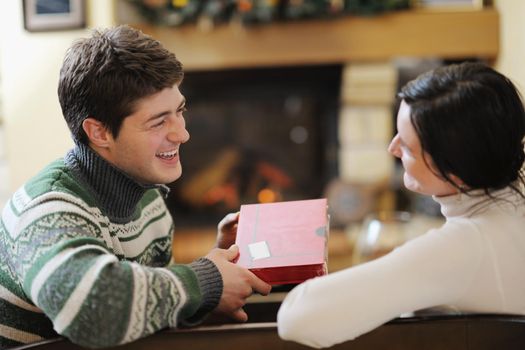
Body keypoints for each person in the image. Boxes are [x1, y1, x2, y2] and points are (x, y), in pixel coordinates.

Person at [0, 25, 271, 349]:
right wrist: (206, 280)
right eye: (158, 121)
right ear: (98, 132)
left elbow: (142, 324)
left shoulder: (149, 201)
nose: (182, 134)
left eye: (179, 111)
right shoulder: (47, 209)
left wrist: (217, 278)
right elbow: (96, 312)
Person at [277, 61, 525, 348]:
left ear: (454, 168)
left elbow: (296, 318)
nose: (392, 148)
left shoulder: (464, 246)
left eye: (406, 145)